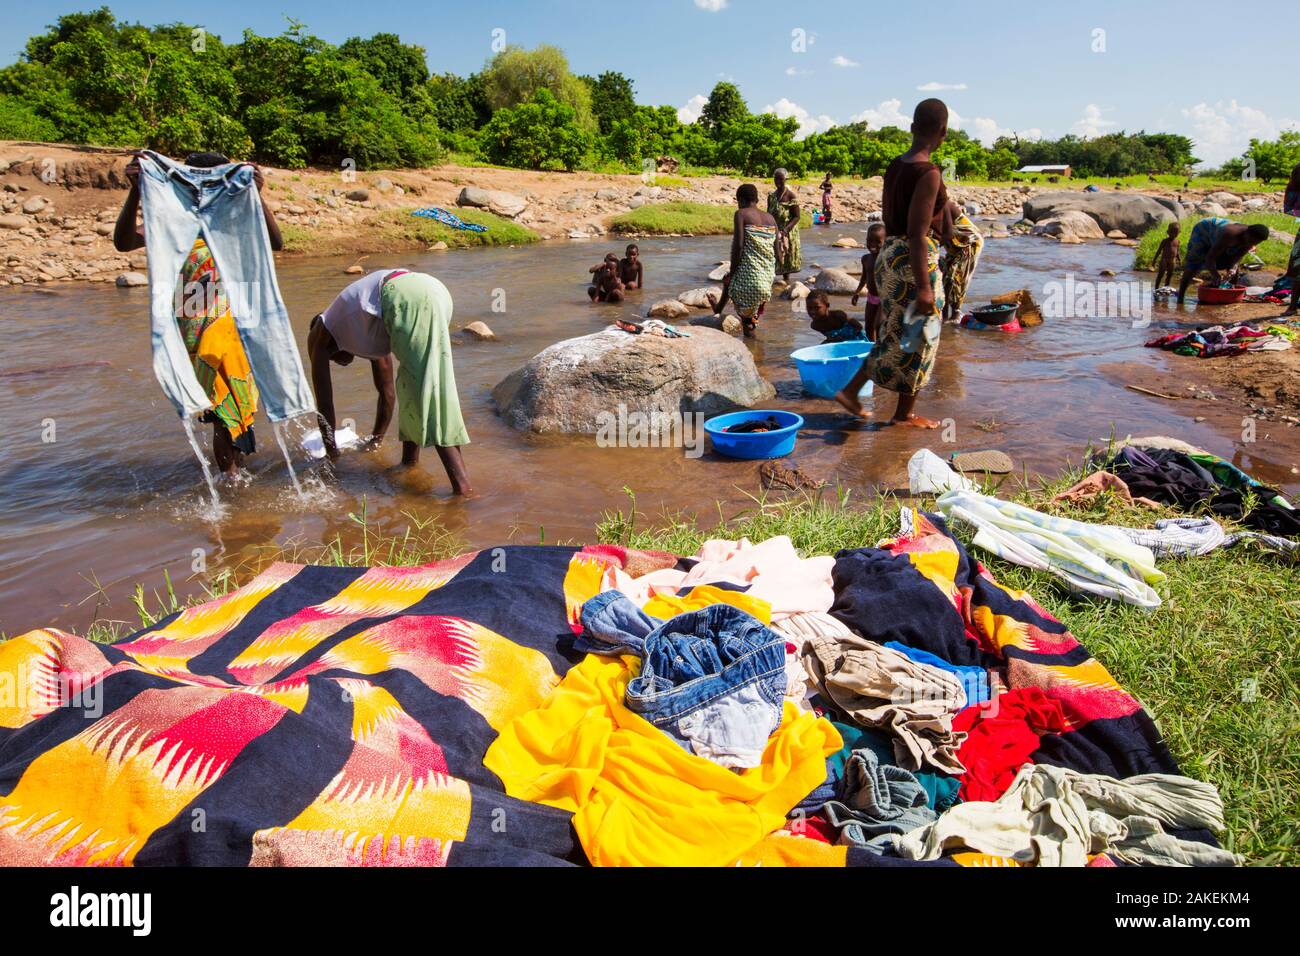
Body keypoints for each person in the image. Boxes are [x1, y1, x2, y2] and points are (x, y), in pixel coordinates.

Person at [113, 150, 282, 478]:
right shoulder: (173, 223)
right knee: (221, 409)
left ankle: (236, 474)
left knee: (238, 404)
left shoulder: (234, 219)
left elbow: (275, 242)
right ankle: (232, 483)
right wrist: (136, 190)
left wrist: (256, 196)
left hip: (235, 327)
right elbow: (123, 242)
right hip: (198, 331)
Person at [834, 99, 948, 427]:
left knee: (896, 335)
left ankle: (858, 395)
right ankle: (902, 413)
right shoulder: (928, 173)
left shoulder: (896, 166)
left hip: (889, 258)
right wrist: (925, 287)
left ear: (912, 128)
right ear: (944, 132)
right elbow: (917, 233)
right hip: (913, 262)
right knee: (921, 336)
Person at [308, 269, 472, 496]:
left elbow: (324, 404)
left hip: (405, 298)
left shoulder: (319, 331)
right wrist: (375, 441)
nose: (341, 363)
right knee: (409, 382)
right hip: (432, 290)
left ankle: (462, 489)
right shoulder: (366, 325)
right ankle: (409, 463)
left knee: (426, 390)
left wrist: (332, 454)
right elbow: (388, 392)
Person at [713, 183, 778, 337]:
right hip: (767, 278)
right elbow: (777, 247)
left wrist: (733, 271)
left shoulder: (741, 214)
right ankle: (718, 310)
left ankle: (752, 349)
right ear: (756, 199)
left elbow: (739, 245)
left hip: (752, 278)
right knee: (751, 314)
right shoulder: (770, 218)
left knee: (729, 282)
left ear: (740, 200)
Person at [1176, 217, 1271, 304]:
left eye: (1255, 243)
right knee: (1194, 263)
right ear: (1247, 233)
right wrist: (1215, 274)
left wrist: (1233, 268)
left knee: (1233, 269)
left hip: (1222, 238)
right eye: (1251, 241)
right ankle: (1180, 297)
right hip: (1205, 230)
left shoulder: (1251, 240)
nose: (1251, 244)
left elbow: (1237, 258)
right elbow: (1210, 257)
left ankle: (1232, 296)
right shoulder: (1230, 234)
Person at [936, 199, 984, 321]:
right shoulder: (928, 206)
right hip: (954, 246)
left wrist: (932, 249)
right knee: (945, 278)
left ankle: (956, 315)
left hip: (969, 242)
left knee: (956, 278)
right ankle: (945, 316)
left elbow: (948, 234)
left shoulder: (944, 204)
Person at [850, 222, 887, 340]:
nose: (872, 245)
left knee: (879, 324)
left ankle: (882, 348)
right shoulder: (865, 259)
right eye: (869, 241)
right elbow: (864, 277)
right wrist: (857, 292)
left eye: (877, 242)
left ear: (885, 242)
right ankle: (872, 349)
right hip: (871, 297)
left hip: (883, 298)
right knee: (868, 326)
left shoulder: (886, 260)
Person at [768, 168, 802, 282]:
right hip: (775, 231)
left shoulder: (791, 196)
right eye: (775, 178)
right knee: (773, 255)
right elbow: (769, 214)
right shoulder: (771, 196)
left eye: (780, 179)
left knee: (786, 255)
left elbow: (797, 216)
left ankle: (786, 281)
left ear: (785, 179)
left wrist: (786, 230)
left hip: (788, 231)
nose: (777, 181)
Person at [1283, 163, 1299, 317]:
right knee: (1298, 270)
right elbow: (1288, 209)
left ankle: (1293, 306)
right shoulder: (1294, 190)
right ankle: (1293, 307)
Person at [1153, 222, 1182, 290]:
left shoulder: (1177, 241)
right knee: (1160, 274)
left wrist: (1179, 260)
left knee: (1169, 275)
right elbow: (1159, 251)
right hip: (1164, 260)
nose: (1173, 234)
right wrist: (1154, 261)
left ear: (1178, 233)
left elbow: (1177, 251)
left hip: (1173, 260)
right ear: (1168, 232)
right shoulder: (1165, 241)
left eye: (1176, 233)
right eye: (1172, 232)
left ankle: (1166, 288)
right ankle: (1156, 288)